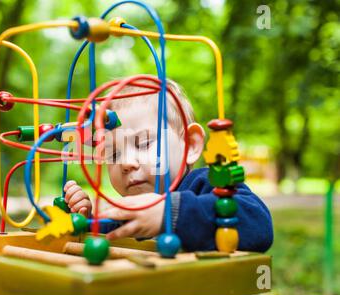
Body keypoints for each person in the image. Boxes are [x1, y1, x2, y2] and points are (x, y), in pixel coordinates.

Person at [62, 76, 273, 252]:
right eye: (113, 153)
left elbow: (259, 226)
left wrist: (169, 213)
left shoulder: (206, 184)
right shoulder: (127, 210)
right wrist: (86, 221)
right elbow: (104, 245)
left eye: (144, 143)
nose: (125, 162)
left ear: (190, 145)